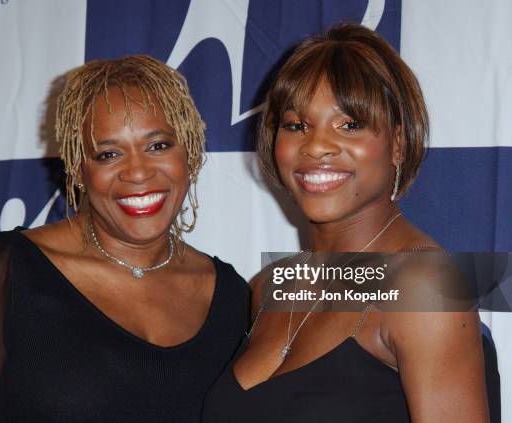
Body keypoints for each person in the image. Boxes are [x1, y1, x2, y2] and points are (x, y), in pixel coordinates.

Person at [0, 56, 250, 422]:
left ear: (190, 152)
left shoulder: (231, 295)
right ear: (78, 168)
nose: (137, 171)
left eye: (158, 145)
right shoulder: (7, 270)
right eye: (108, 154)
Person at [202, 24, 489, 422]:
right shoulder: (271, 286)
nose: (316, 145)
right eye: (296, 125)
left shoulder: (425, 286)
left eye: (349, 124)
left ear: (399, 143)